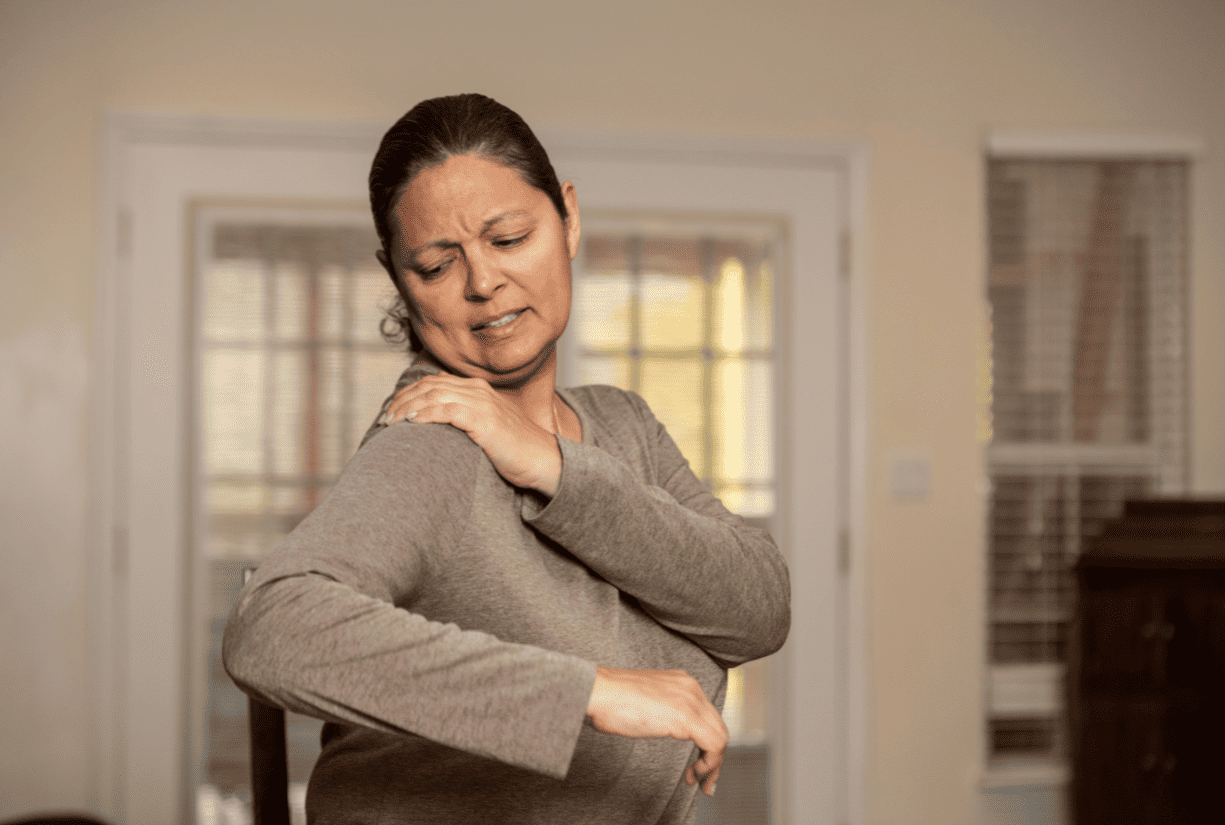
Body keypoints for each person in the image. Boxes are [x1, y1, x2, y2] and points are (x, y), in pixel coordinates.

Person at [223, 93, 791, 825]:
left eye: (509, 236)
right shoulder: (429, 443)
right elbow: (271, 628)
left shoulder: (623, 427)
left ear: (569, 219)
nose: (482, 282)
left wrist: (554, 466)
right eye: (434, 264)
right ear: (397, 276)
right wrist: (585, 690)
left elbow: (757, 610)